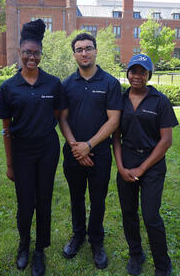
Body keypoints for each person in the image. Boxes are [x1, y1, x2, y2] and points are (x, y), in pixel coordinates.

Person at [0, 19, 63, 276]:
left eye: (36, 53)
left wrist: (43, 131)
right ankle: (24, 245)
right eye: (27, 53)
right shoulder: (8, 87)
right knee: (25, 203)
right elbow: (5, 127)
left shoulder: (53, 83)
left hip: (47, 150)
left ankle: (40, 251)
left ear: (41, 54)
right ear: (19, 53)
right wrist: (10, 163)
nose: (31, 57)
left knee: (44, 200)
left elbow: (57, 115)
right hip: (22, 151)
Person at [59, 33, 123, 269]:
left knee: (98, 200)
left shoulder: (110, 83)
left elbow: (114, 120)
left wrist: (89, 146)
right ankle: (78, 236)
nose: (84, 53)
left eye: (88, 48)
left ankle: (96, 241)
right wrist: (77, 147)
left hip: (100, 154)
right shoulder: (66, 85)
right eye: (79, 49)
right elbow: (62, 119)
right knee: (76, 198)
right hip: (73, 153)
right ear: (74, 54)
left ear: (96, 51)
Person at [112, 54, 178, 276]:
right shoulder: (120, 100)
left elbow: (166, 141)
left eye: (142, 71)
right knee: (128, 212)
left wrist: (142, 169)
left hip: (152, 164)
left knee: (150, 216)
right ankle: (136, 254)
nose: (137, 76)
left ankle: (162, 263)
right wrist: (121, 167)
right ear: (128, 73)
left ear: (149, 74)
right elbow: (116, 137)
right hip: (127, 160)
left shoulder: (160, 101)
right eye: (133, 71)